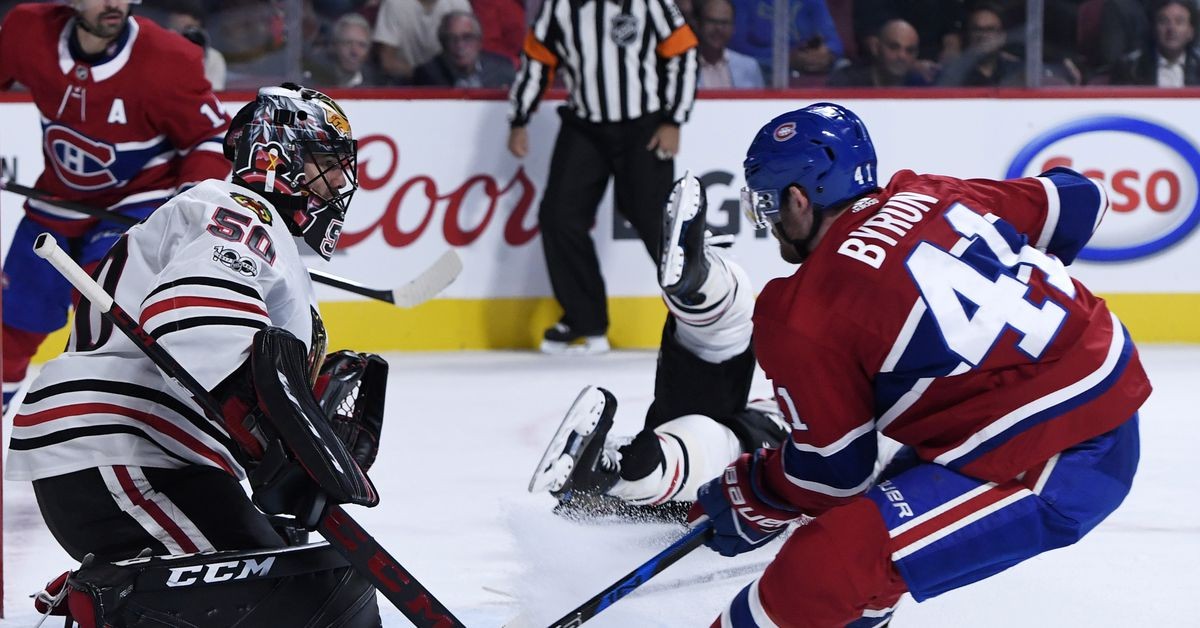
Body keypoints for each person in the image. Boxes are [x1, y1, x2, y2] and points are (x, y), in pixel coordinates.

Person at [677, 102, 1150, 626]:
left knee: (826, 568)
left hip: (1057, 461)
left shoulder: (801, 311)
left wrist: (760, 490)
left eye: (767, 203)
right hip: (1097, 393)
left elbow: (831, 477)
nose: (769, 221)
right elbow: (1083, 199)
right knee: (865, 548)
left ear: (798, 199)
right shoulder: (927, 192)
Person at [8, 84, 387, 626]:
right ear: (276, 158)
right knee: (285, 598)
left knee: (309, 576)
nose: (336, 183)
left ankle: (119, 589)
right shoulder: (241, 208)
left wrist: (301, 433)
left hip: (154, 452)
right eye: (324, 165)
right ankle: (116, 598)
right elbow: (193, 313)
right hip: (124, 444)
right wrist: (280, 426)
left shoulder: (253, 234)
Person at [0, 0, 231, 412]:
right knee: (8, 334)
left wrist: (189, 197)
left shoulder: (167, 58)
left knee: (107, 332)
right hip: (56, 201)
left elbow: (211, 138)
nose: (113, 4)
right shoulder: (27, 30)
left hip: (136, 205)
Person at [529, 175, 789, 520]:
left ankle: (704, 284)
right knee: (729, 436)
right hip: (795, 430)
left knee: (730, 425)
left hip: (803, 438)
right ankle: (625, 472)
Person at [508, 0, 699, 354]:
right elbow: (538, 58)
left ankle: (702, 311)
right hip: (585, 126)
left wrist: (674, 118)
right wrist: (519, 118)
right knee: (559, 216)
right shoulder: (560, 6)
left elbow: (683, 52)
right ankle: (586, 322)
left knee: (657, 222)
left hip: (644, 124)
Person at [726, 0, 844, 77]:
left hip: (808, 68)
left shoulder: (813, 2)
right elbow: (736, 46)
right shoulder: (743, 2)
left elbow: (834, 41)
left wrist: (826, 54)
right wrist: (784, 59)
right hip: (763, 71)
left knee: (842, 67)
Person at [372, 0, 472, 84]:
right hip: (404, 82)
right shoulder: (394, 4)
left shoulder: (458, 4)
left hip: (449, 80)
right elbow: (387, 61)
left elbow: (470, 52)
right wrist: (422, 75)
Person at [412, 10, 516, 88]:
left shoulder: (503, 70)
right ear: (443, 44)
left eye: (467, 37)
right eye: (452, 39)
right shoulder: (427, 75)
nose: (460, 45)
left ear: (479, 42)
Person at [1111, 0, 1200, 86]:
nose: (1171, 29)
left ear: (1191, 32)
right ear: (1153, 28)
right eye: (1164, 21)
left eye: (1179, 22)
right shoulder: (1129, 69)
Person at [828, 18, 932, 87]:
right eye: (894, 47)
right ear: (876, 47)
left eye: (909, 50)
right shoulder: (846, 82)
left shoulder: (921, 85)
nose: (902, 56)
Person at [695, 0, 766, 89]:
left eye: (724, 23)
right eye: (712, 21)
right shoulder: (680, 66)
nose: (718, 28)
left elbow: (759, 102)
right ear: (698, 24)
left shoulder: (749, 67)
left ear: (733, 28)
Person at [306, 12, 383, 88]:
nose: (355, 51)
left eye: (362, 45)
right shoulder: (314, 77)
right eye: (348, 43)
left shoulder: (376, 82)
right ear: (334, 46)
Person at [163, 0, 228, 89]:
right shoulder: (159, 54)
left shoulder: (214, 58)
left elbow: (214, 92)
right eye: (177, 32)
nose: (183, 40)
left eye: (189, 29)